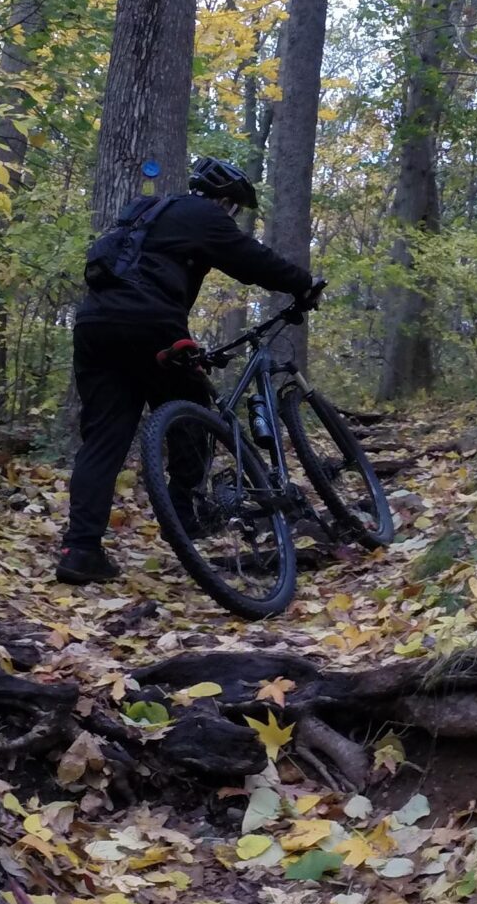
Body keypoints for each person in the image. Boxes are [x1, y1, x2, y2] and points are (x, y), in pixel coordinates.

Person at [57, 155, 317, 584]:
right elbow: (250, 260)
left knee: (103, 441)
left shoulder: (143, 216)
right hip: (150, 323)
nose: (231, 215)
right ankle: (183, 515)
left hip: (94, 327)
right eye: (233, 208)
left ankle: (80, 550)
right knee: (190, 411)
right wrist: (302, 284)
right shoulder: (201, 213)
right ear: (224, 200)